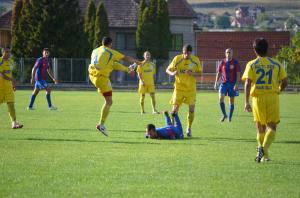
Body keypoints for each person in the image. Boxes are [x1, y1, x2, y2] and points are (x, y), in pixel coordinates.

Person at [242, 38, 288, 163]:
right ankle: (264, 151)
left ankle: (261, 151)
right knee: (272, 127)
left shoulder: (251, 64)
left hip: (257, 98)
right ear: (267, 49)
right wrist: (278, 89)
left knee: (260, 128)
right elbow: (285, 81)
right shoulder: (276, 64)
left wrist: (246, 102)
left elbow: (247, 83)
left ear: (254, 50)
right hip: (272, 97)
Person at [89, 36, 140, 136]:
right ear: (110, 44)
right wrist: (138, 62)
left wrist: (127, 69)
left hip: (92, 76)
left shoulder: (95, 50)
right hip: (101, 78)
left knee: (111, 63)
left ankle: (128, 69)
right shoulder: (110, 52)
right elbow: (126, 58)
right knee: (109, 101)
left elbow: (112, 64)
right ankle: (101, 124)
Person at [166, 44, 202, 138]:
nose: (186, 55)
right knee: (174, 110)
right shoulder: (177, 59)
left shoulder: (195, 60)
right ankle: (172, 129)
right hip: (179, 88)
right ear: (182, 52)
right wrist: (172, 73)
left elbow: (200, 73)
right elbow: (167, 70)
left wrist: (192, 73)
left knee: (191, 109)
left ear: (191, 53)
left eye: (188, 54)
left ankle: (189, 128)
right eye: (184, 53)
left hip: (191, 89)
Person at [214, 48, 241, 122]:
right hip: (224, 83)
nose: (228, 54)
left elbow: (238, 74)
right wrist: (216, 82)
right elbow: (219, 73)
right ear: (225, 53)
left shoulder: (235, 62)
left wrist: (236, 84)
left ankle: (230, 116)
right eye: (227, 52)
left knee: (231, 101)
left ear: (232, 53)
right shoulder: (222, 62)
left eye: (230, 52)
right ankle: (224, 114)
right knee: (220, 99)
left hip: (232, 84)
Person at [0, 47, 23, 129]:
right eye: (6, 52)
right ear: (2, 53)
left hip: (8, 87)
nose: (8, 53)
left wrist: (12, 83)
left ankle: (14, 123)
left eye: (9, 52)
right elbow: (1, 74)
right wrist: (12, 80)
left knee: (11, 105)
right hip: (1, 88)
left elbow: (9, 74)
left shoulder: (9, 62)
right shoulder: (0, 61)